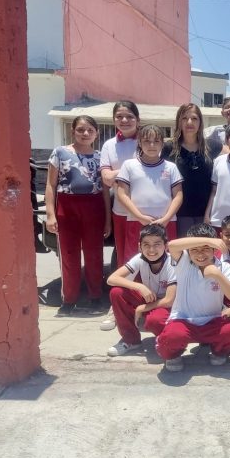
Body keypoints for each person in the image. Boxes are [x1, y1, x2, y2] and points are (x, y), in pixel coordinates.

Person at [45, 115, 111, 316]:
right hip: (67, 207)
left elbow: (106, 190)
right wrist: (50, 214)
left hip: (94, 207)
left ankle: (95, 297)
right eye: (81, 129)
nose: (85, 133)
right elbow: (51, 184)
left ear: (96, 133)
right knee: (69, 255)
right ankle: (69, 300)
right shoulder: (61, 152)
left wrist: (108, 219)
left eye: (90, 130)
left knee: (94, 255)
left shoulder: (101, 157)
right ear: (73, 131)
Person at [156, 223, 230, 372]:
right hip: (183, 320)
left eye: (206, 249)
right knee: (172, 336)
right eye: (195, 249)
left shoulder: (223, 267)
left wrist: (217, 275)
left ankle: (217, 352)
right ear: (189, 250)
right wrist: (207, 241)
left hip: (212, 320)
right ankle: (173, 355)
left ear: (214, 250)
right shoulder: (184, 262)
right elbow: (172, 245)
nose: (200, 254)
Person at [105, 224, 176, 356]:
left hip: (170, 306)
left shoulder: (173, 263)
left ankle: (168, 341)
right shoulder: (139, 259)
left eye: (157, 244)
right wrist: (140, 286)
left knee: (155, 320)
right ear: (139, 247)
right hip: (151, 299)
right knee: (117, 293)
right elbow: (112, 279)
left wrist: (142, 308)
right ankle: (131, 340)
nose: (151, 249)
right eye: (146, 245)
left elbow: (169, 301)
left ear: (166, 246)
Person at [116, 125, 183, 261]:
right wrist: (140, 216)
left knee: (167, 261)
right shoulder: (129, 165)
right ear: (139, 142)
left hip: (166, 222)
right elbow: (122, 194)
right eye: (147, 141)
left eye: (156, 141)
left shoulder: (171, 167)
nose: (151, 145)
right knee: (135, 260)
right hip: (136, 221)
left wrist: (166, 219)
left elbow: (178, 195)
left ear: (162, 144)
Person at [162, 103, 223, 237]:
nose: (189, 122)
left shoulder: (213, 146)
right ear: (178, 121)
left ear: (200, 122)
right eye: (184, 118)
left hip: (207, 213)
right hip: (179, 214)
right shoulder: (168, 148)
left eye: (194, 118)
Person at [100, 101, 140, 268]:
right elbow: (107, 178)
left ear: (138, 119)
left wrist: (117, 173)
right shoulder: (109, 145)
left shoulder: (148, 141)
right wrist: (132, 169)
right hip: (120, 210)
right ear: (114, 119)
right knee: (123, 253)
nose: (124, 120)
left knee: (147, 251)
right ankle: (123, 290)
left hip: (145, 209)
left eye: (129, 116)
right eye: (119, 116)